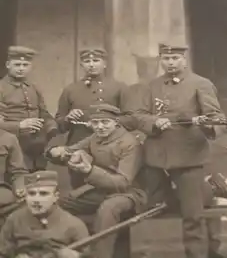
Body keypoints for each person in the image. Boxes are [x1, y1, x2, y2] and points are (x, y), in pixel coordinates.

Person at [132, 42, 227, 258]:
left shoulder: (201, 84)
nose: (170, 63)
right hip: (156, 159)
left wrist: (206, 124)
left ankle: (197, 254)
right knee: (153, 205)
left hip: (189, 157)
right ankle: (211, 191)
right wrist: (154, 121)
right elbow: (138, 115)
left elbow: (216, 118)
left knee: (192, 216)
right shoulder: (151, 86)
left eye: (175, 58)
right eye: (166, 59)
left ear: (184, 59)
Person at [46, 103, 146, 258]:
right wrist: (55, 151)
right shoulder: (95, 137)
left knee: (108, 209)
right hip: (100, 189)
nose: (100, 127)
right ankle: (55, 250)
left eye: (105, 122)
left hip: (129, 193)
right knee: (59, 203)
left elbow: (122, 183)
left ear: (116, 122)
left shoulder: (129, 143)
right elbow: (70, 150)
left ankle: (100, 255)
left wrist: (90, 171)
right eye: (95, 123)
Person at [54, 48, 130, 189]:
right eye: (87, 61)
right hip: (79, 142)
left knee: (109, 184)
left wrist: (109, 125)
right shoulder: (71, 89)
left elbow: (130, 118)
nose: (91, 64)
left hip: (110, 145)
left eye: (96, 61)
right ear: (81, 65)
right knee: (79, 187)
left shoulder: (119, 87)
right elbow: (59, 123)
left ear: (105, 63)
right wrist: (68, 118)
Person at [0, 170, 89, 258]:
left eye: (43, 194)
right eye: (31, 193)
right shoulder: (15, 220)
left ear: (55, 197)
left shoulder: (74, 225)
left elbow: (89, 255)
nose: (36, 199)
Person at [0, 46, 58, 172]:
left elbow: (44, 113)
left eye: (25, 65)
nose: (21, 68)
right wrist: (19, 125)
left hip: (37, 147)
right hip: (11, 147)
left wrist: (52, 129)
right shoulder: (1, 89)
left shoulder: (33, 88)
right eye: (17, 64)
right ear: (8, 65)